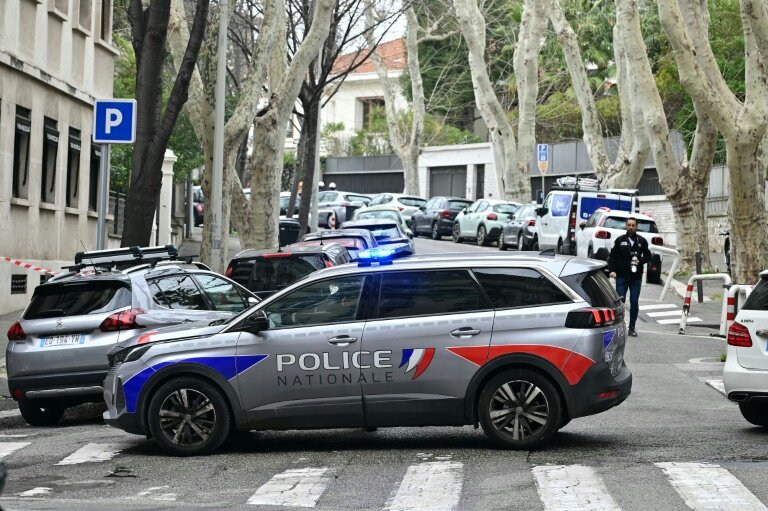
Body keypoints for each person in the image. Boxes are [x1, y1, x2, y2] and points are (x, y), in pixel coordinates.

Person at [608, 217, 651, 337]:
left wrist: (640, 261)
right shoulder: (620, 240)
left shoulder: (641, 241)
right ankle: (618, 327)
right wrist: (612, 271)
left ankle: (632, 328)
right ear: (626, 226)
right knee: (620, 302)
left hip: (636, 278)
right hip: (621, 276)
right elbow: (612, 257)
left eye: (633, 225)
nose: (631, 227)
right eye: (629, 225)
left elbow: (648, 256)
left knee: (634, 302)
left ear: (636, 227)